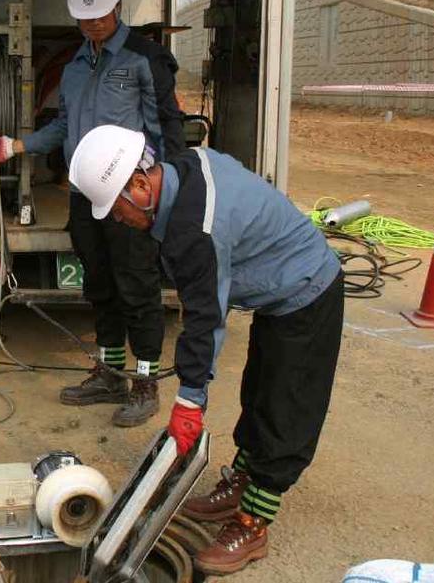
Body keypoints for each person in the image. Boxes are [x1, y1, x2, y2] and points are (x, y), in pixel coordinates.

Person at [68, 125, 345, 576]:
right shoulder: (183, 167)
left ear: (140, 185)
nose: (118, 220)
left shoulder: (198, 226)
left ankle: (253, 524)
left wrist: (189, 401)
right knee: (258, 391)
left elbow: (204, 319)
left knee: (285, 407)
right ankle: (240, 483)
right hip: (275, 297)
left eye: (116, 210)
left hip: (307, 290)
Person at [0, 0, 185, 428]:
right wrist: (18, 146)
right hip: (85, 194)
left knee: (137, 289)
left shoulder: (145, 58)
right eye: (84, 17)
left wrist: (170, 188)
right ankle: (110, 373)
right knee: (99, 287)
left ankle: (145, 383)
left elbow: (167, 128)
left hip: (130, 198)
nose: (93, 23)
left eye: (100, 15)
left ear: (118, 5)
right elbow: (62, 126)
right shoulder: (74, 67)